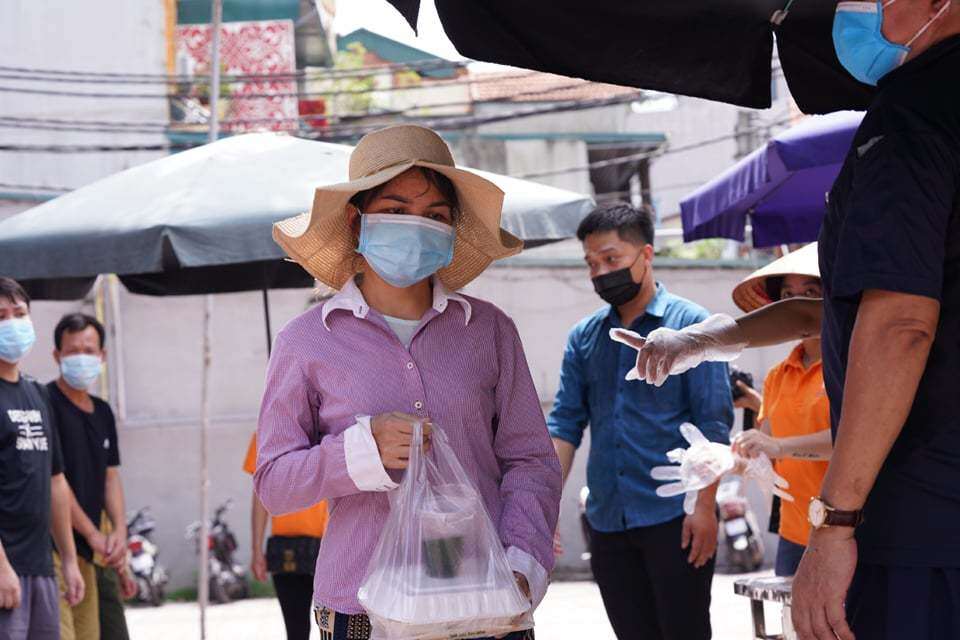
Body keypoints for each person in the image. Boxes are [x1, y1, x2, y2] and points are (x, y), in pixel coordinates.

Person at [625, 3, 960, 638]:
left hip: (928, 521)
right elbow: (839, 308)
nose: (850, 8)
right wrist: (707, 337)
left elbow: (899, 325)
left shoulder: (917, 109)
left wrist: (835, 523)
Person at [254, 124, 561, 640]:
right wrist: (359, 452)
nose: (416, 226)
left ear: (451, 229)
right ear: (356, 221)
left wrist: (522, 564)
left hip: (487, 605)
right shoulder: (304, 341)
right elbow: (275, 484)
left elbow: (531, 460)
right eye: (396, 210)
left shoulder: (489, 331)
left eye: (435, 216)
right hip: (361, 610)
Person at [547, 203, 733, 640]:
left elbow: (713, 425)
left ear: (646, 254)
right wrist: (544, 506)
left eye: (611, 259)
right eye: (591, 263)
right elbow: (565, 425)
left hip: (676, 517)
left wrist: (705, 508)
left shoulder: (693, 326)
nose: (600, 273)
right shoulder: (585, 337)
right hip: (607, 519)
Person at [727, 244, 832, 577]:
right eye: (787, 295)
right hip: (794, 532)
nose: (796, 306)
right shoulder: (778, 375)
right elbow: (767, 449)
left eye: (810, 293)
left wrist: (776, 446)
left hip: (847, 532)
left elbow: (851, 441)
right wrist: (736, 460)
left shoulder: (851, 368)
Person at [0, 276, 85, 640]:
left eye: (19, 313)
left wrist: (68, 559)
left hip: (41, 566)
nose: (12, 323)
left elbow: (56, 480)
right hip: (5, 567)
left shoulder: (37, 392)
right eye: (1, 316)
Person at [47, 313, 127, 640]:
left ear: (103, 355)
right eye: (73, 351)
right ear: (57, 355)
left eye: (89, 351)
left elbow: (110, 477)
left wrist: (119, 530)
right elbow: (55, 480)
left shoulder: (102, 410)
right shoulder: (45, 403)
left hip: (90, 550)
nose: (82, 358)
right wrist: (92, 533)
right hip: (54, 544)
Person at [244, 433, 328, 640]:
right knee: (296, 631)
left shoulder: (332, 424)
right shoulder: (266, 433)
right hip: (287, 550)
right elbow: (260, 497)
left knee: (335, 630)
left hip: (332, 546)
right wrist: (256, 550)